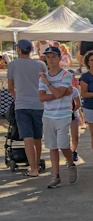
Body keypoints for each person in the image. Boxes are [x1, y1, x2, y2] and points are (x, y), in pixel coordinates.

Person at [38, 45, 76, 188]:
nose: (51, 60)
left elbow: (59, 93)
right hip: (48, 115)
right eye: (48, 57)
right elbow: (41, 97)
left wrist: (49, 84)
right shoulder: (43, 76)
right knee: (52, 146)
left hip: (63, 114)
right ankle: (56, 175)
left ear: (59, 58)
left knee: (63, 144)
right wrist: (60, 93)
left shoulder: (66, 75)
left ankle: (71, 163)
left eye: (53, 57)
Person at [8, 39, 47, 177]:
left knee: (27, 137)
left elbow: (10, 87)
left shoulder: (13, 65)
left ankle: (33, 169)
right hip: (39, 104)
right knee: (37, 137)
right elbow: (45, 83)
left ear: (19, 50)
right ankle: (36, 165)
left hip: (22, 105)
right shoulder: (41, 64)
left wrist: (17, 97)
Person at [70, 78, 82, 163]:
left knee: (75, 135)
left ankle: (74, 150)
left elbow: (78, 103)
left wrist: (73, 111)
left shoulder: (74, 90)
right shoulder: (59, 90)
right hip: (63, 115)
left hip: (73, 115)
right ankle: (68, 152)